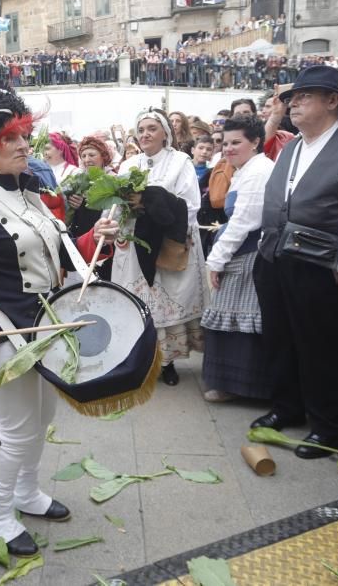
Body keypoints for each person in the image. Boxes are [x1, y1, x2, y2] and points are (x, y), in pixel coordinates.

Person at [0, 76, 118, 557]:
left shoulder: (33, 193)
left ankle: (27, 494)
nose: (21, 143)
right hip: (6, 335)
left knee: (43, 418)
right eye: (8, 137)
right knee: (17, 428)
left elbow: (58, 259)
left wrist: (98, 236)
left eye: (22, 134)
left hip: (49, 329)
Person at [252, 65, 338, 457]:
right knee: (280, 341)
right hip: (277, 260)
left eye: (304, 96)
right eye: (293, 97)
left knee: (324, 349)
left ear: (333, 101)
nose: (294, 103)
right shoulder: (293, 145)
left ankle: (329, 428)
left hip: (322, 266)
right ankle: (287, 409)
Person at [112, 109, 209, 387]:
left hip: (167, 242)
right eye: (141, 129)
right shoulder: (129, 165)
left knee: (166, 304)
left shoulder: (180, 162)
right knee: (140, 304)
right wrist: (108, 225)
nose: (145, 134)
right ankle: (141, 360)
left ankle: (167, 363)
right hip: (135, 246)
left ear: (165, 133)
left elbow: (190, 204)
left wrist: (168, 222)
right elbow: (116, 206)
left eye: (152, 128)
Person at [201, 117, 275, 402]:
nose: (229, 149)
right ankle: (233, 385)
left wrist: (216, 260)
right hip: (242, 250)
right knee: (232, 319)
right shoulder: (247, 169)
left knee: (242, 322)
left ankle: (244, 387)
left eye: (236, 142)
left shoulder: (258, 171)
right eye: (226, 143)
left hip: (249, 255)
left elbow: (244, 221)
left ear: (255, 142)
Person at [66, 136, 112, 281]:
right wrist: (70, 203)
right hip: (82, 241)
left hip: (105, 244)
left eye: (92, 155)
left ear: (103, 157)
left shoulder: (112, 180)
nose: (87, 159)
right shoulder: (77, 180)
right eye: (83, 156)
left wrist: (85, 205)